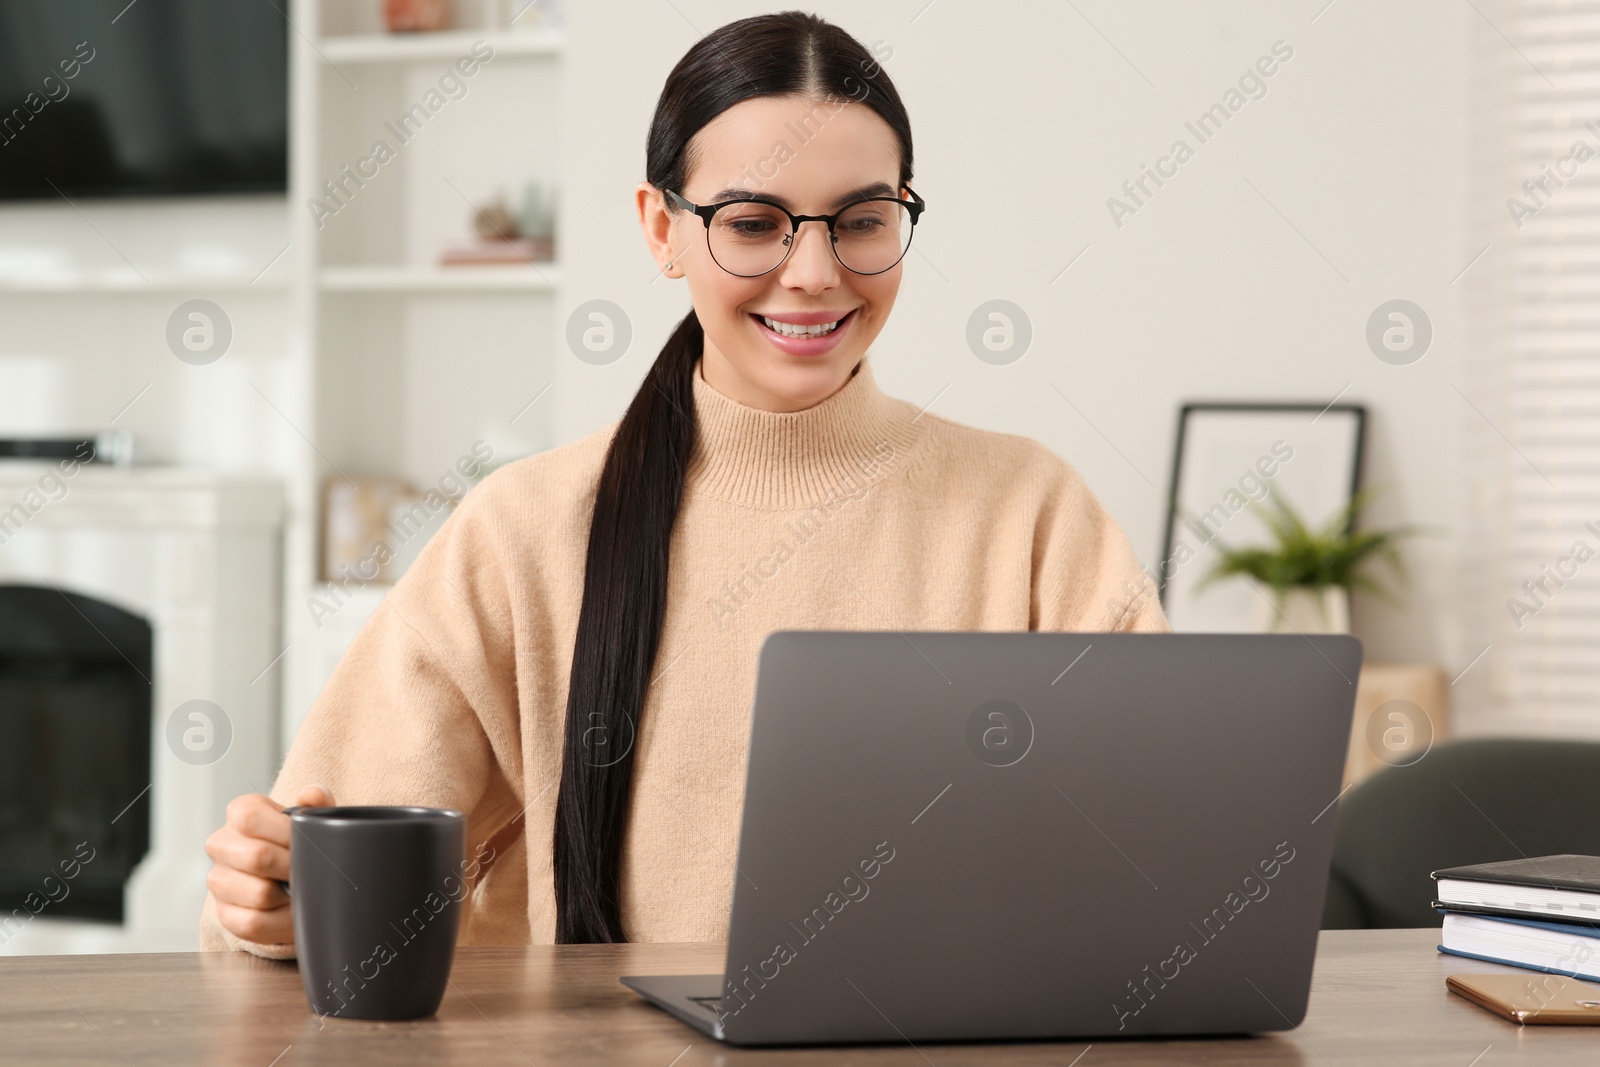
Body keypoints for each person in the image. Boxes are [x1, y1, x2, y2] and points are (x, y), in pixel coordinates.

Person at [199, 10, 1168, 958]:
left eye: (862, 221)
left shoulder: (1032, 512)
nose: (815, 273)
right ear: (660, 230)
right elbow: (320, 888)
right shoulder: (522, 532)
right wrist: (272, 902)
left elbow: (1159, 858)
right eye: (753, 224)